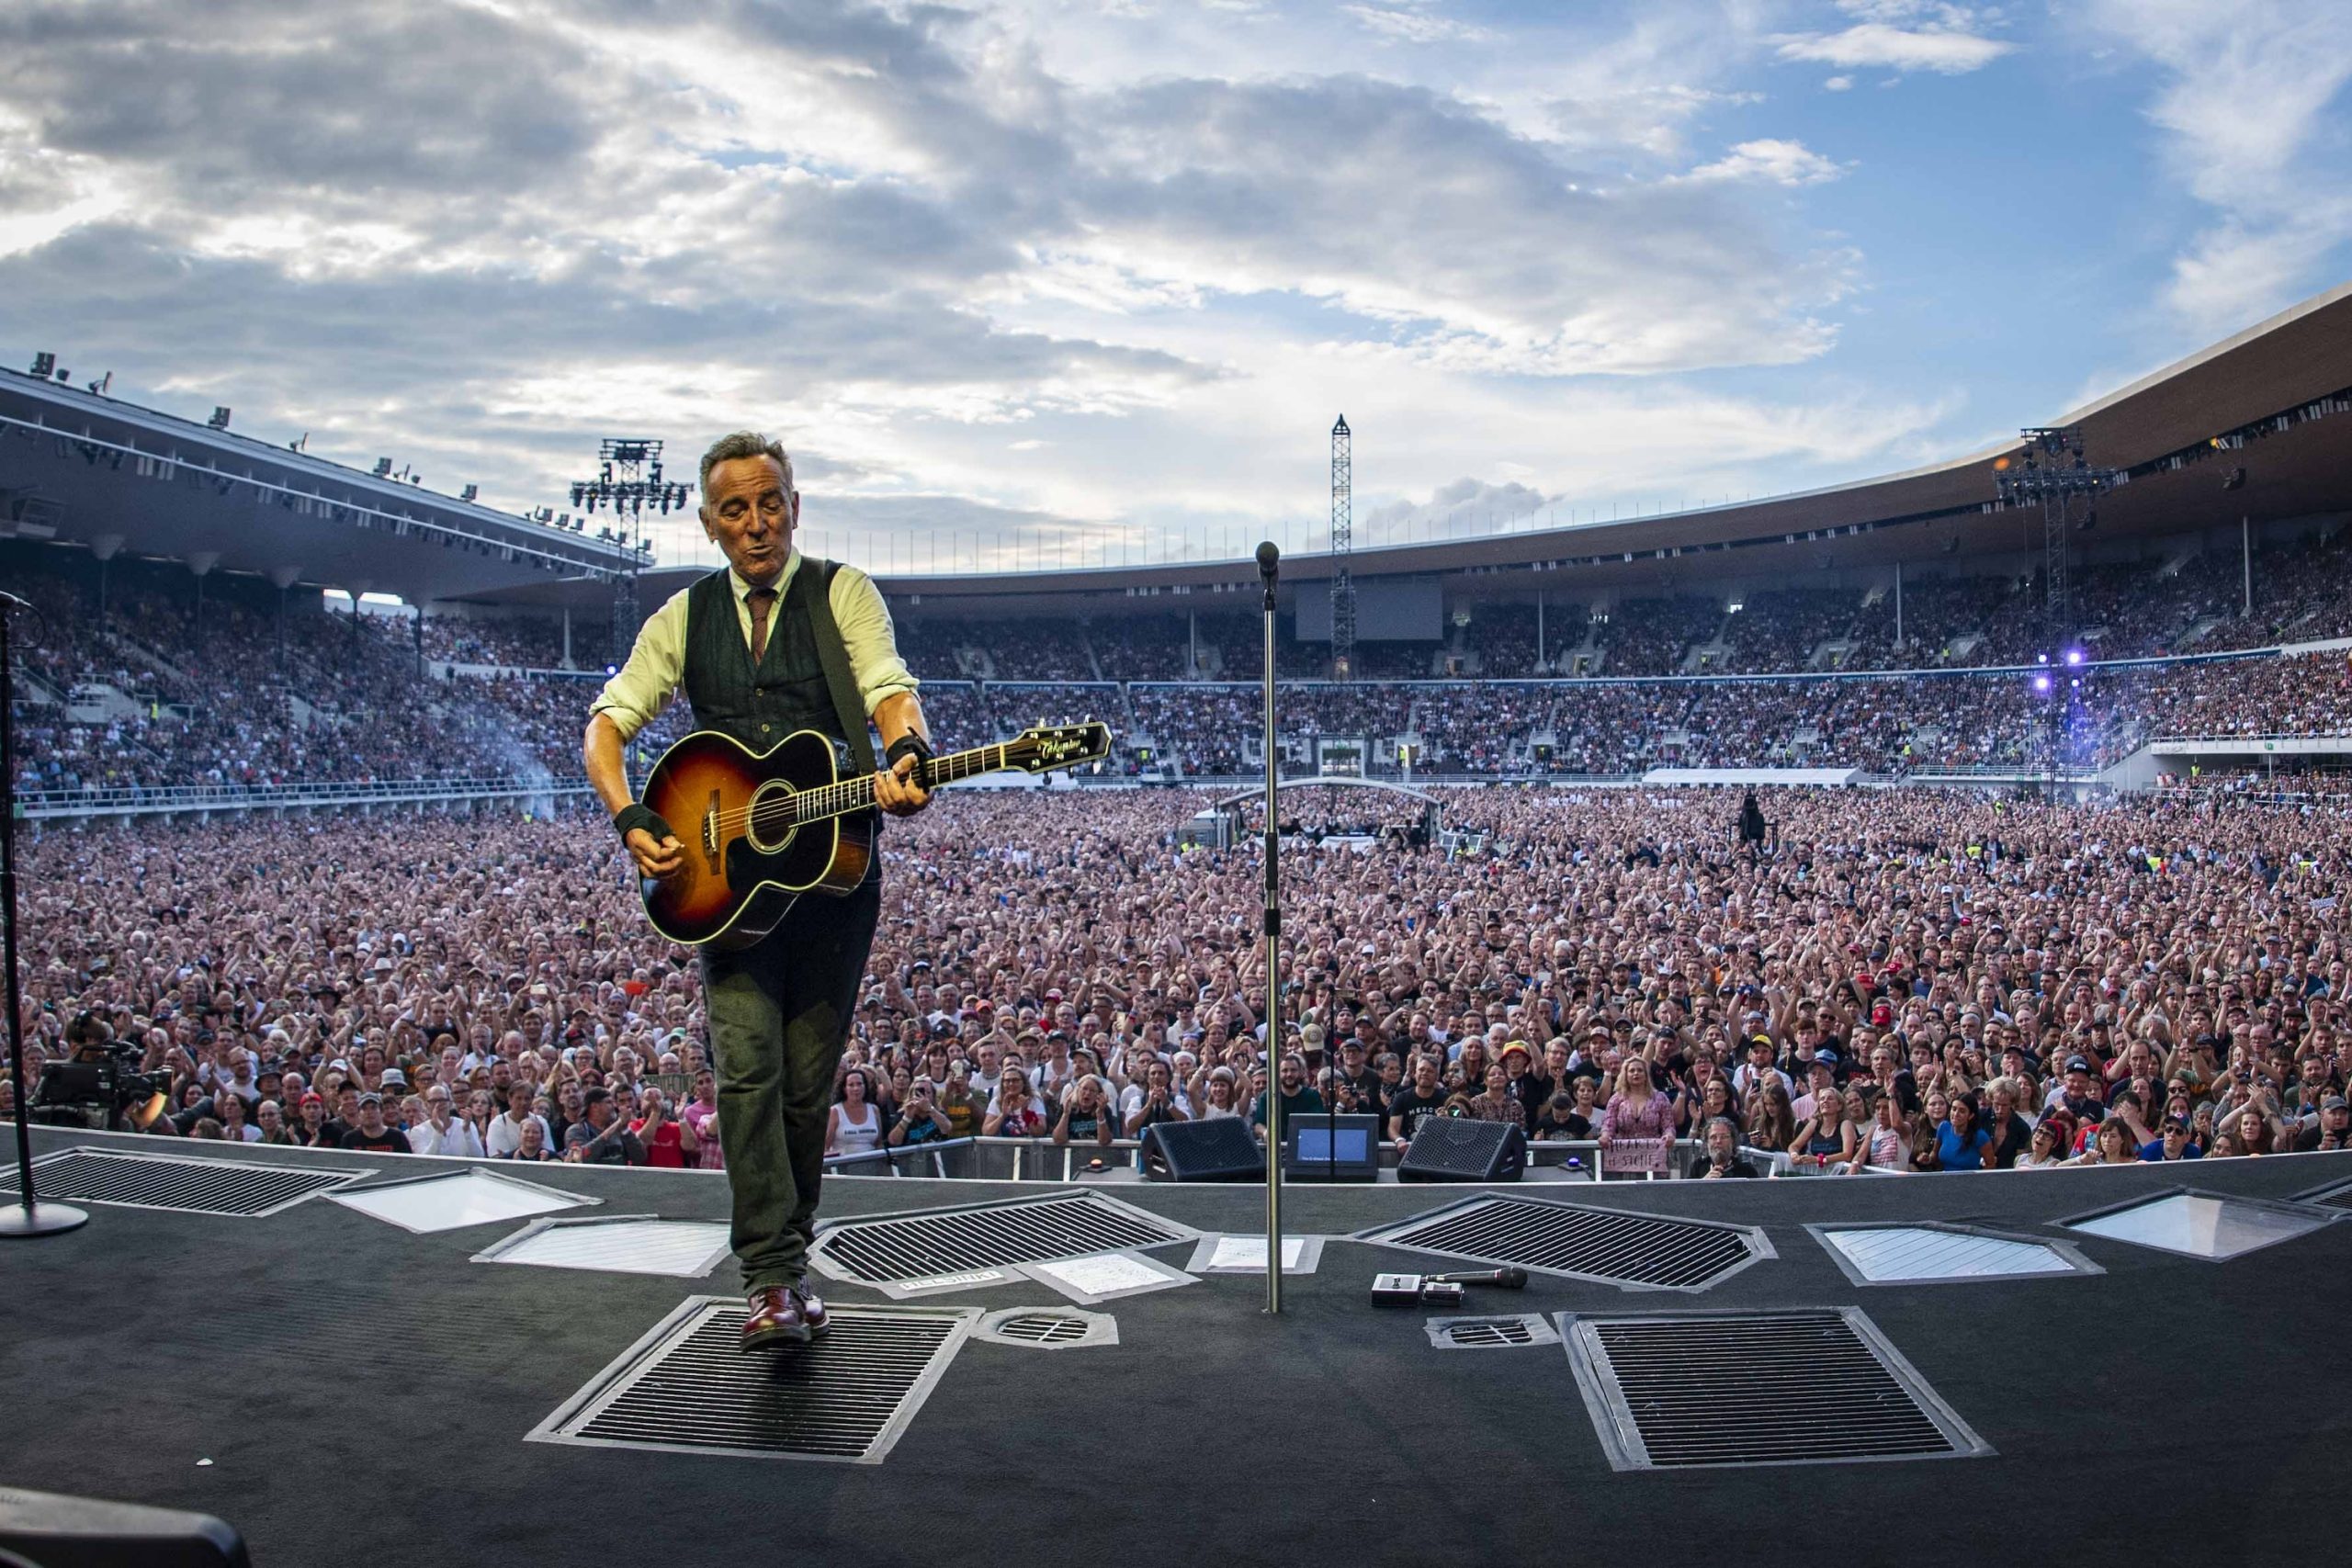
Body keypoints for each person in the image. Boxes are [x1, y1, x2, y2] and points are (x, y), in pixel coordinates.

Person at [586, 431, 933, 1351]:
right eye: (733, 509)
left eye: (768, 501)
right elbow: (607, 726)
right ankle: (770, 1280)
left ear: (794, 506)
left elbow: (888, 688)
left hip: (833, 881)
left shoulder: (841, 593)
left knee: (805, 1089)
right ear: (708, 524)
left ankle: (791, 1257)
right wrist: (632, 820)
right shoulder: (679, 619)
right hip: (725, 887)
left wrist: (904, 749)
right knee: (747, 1072)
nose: (754, 522)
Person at [1598, 1056, 1674, 1179]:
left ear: (1646, 1074)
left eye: (1640, 1070)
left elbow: (1668, 1125)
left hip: (1653, 1156)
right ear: (1625, 1075)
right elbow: (1608, 1123)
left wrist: (1669, 1135)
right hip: (1623, 1157)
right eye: (1632, 1071)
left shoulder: (1660, 1098)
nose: (1636, 1073)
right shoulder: (1616, 1098)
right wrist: (1605, 1135)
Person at [563, 1086, 647, 1166]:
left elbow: (640, 1158)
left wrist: (626, 1130)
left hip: (620, 1179)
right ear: (595, 1107)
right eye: (608, 1102)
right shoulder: (576, 1131)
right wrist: (613, 1128)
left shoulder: (620, 1129)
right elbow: (581, 1158)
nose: (614, 1106)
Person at [824, 1069, 884, 1158]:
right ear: (845, 1089)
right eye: (851, 1085)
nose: (856, 1088)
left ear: (865, 1087)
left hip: (871, 1164)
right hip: (843, 1166)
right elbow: (826, 1146)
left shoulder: (874, 1109)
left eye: (859, 1084)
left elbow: (879, 1143)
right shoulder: (835, 1111)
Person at [1690, 1116, 1761, 1179]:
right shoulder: (1698, 1167)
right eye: (1713, 1137)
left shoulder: (1746, 1170)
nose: (1718, 1141)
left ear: (1732, 1141)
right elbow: (1686, 1192)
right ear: (1707, 1142)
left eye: (1724, 1137)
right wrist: (1703, 1183)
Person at [339, 1092, 408, 1155]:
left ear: (382, 1112)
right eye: (364, 1108)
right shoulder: (349, 1139)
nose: (369, 1112)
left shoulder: (397, 1137)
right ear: (359, 1113)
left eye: (373, 1108)